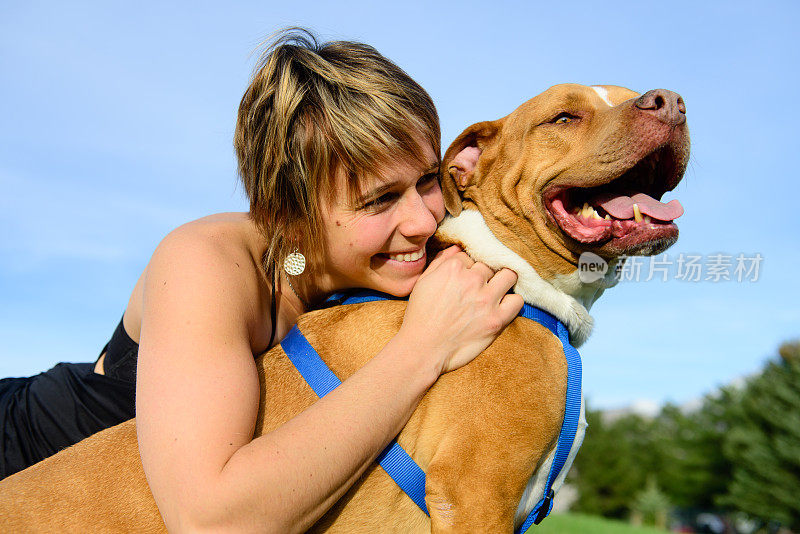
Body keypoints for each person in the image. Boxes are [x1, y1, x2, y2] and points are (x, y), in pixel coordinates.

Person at [0, 29, 523, 531]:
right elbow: (212, 522)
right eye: (379, 200)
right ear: (289, 213)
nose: (424, 221)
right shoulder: (204, 262)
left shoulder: (411, 256)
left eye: (427, 181)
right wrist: (422, 347)